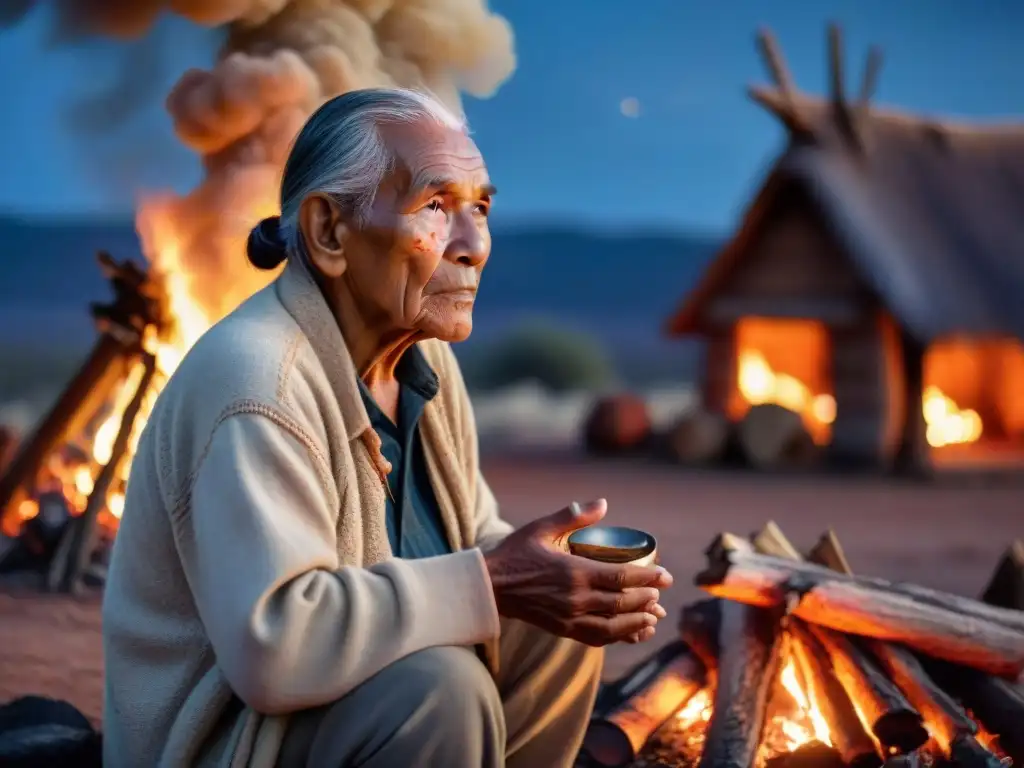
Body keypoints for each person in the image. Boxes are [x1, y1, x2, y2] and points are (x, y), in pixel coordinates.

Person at [102, 87, 673, 768]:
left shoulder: (423, 364)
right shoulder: (257, 385)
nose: (474, 246)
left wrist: (557, 572)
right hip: (233, 742)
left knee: (560, 622)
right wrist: (494, 581)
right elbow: (273, 650)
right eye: (435, 207)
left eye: (481, 208)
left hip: (344, 707)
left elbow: (466, 542)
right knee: (440, 691)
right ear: (329, 233)